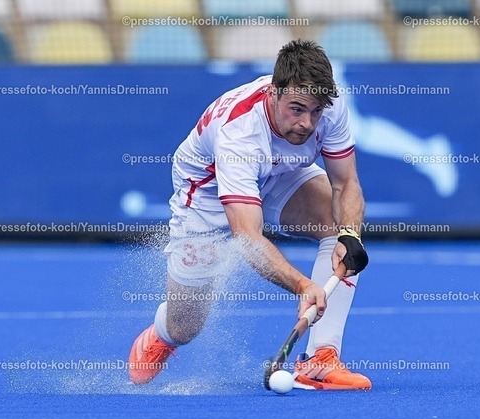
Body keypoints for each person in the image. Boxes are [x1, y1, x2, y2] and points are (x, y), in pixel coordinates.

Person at [128, 39, 370, 390]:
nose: (306, 123)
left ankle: (320, 358)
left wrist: (350, 235)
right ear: (274, 93)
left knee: (338, 228)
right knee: (186, 326)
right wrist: (302, 285)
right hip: (208, 195)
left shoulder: (328, 104)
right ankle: (162, 335)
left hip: (279, 174)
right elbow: (247, 236)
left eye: (315, 112)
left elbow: (345, 183)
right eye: (297, 109)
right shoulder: (238, 133)